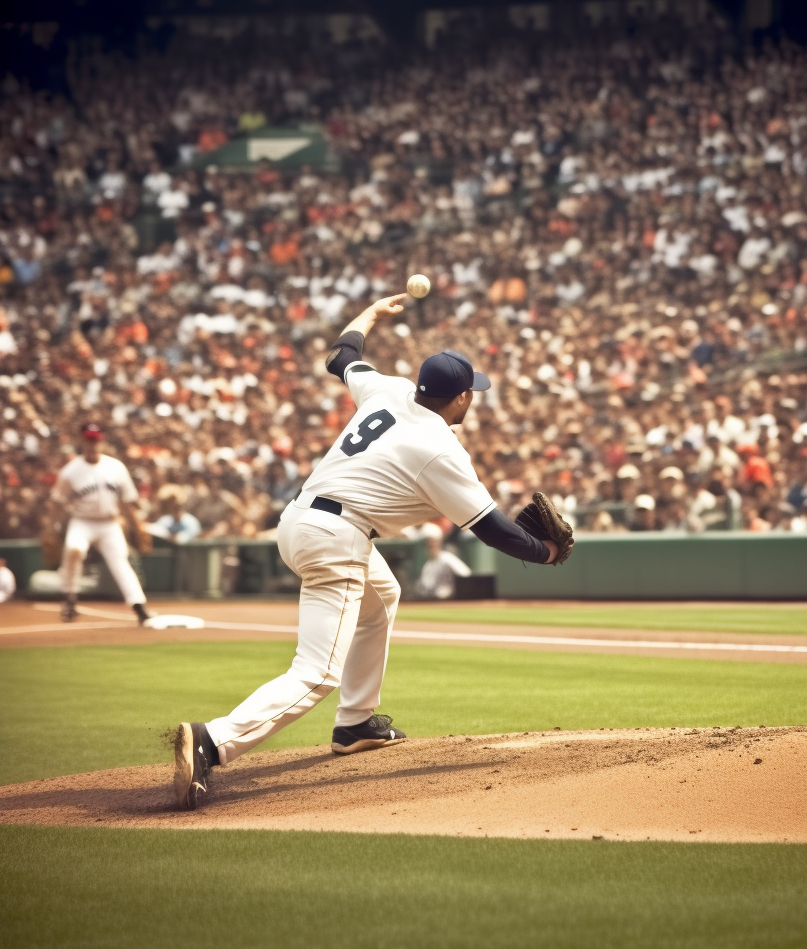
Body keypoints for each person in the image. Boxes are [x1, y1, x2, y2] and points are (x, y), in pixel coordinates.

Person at [172, 294, 563, 810]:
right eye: (473, 393)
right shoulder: (440, 449)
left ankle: (355, 722)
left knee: (382, 597)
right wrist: (547, 554)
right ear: (462, 398)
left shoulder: (389, 390)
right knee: (315, 673)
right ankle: (214, 740)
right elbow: (493, 530)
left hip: (299, 521)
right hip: (337, 537)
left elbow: (341, 352)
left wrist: (373, 313)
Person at [47, 424, 150, 624]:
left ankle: (139, 606)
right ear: (82, 441)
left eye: (95, 439)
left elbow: (128, 501)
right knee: (74, 549)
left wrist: (139, 525)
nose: (92, 443)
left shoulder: (116, 467)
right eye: (88, 439)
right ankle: (69, 599)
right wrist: (51, 529)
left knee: (120, 562)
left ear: (102, 441)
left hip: (109, 524)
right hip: (82, 522)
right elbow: (57, 503)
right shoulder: (70, 471)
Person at [415, 523, 472, 600]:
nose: (431, 548)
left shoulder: (447, 558)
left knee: (440, 594)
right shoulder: (428, 563)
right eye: (429, 546)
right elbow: (425, 583)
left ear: (439, 545)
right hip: (431, 594)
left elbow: (465, 573)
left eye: (434, 545)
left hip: (447, 592)